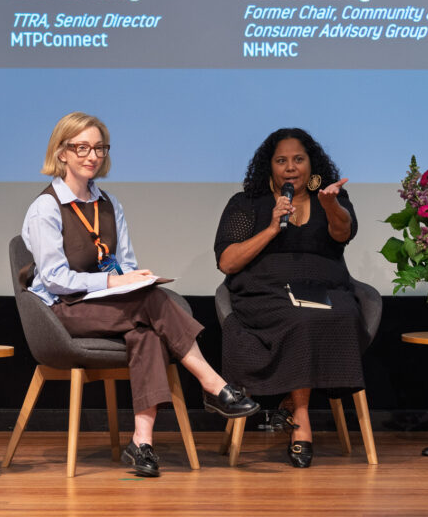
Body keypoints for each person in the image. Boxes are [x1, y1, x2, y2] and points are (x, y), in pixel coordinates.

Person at [21, 113, 259, 478]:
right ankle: (212, 383)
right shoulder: (46, 207)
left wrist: (131, 279)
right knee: (153, 302)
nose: (92, 156)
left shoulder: (109, 204)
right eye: (82, 147)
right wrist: (112, 284)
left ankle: (141, 442)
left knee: (147, 331)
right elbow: (54, 279)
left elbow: (124, 262)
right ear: (61, 152)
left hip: (106, 306)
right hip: (64, 309)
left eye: (99, 148)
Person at [215, 128, 365, 467]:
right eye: (281, 160)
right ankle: (301, 419)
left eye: (298, 159)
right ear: (269, 167)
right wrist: (271, 228)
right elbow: (227, 262)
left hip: (326, 291)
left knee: (342, 313)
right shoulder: (247, 203)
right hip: (265, 294)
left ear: (312, 164)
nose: (291, 167)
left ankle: (292, 406)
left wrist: (331, 206)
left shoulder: (330, 198)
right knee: (301, 318)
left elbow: (343, 233)